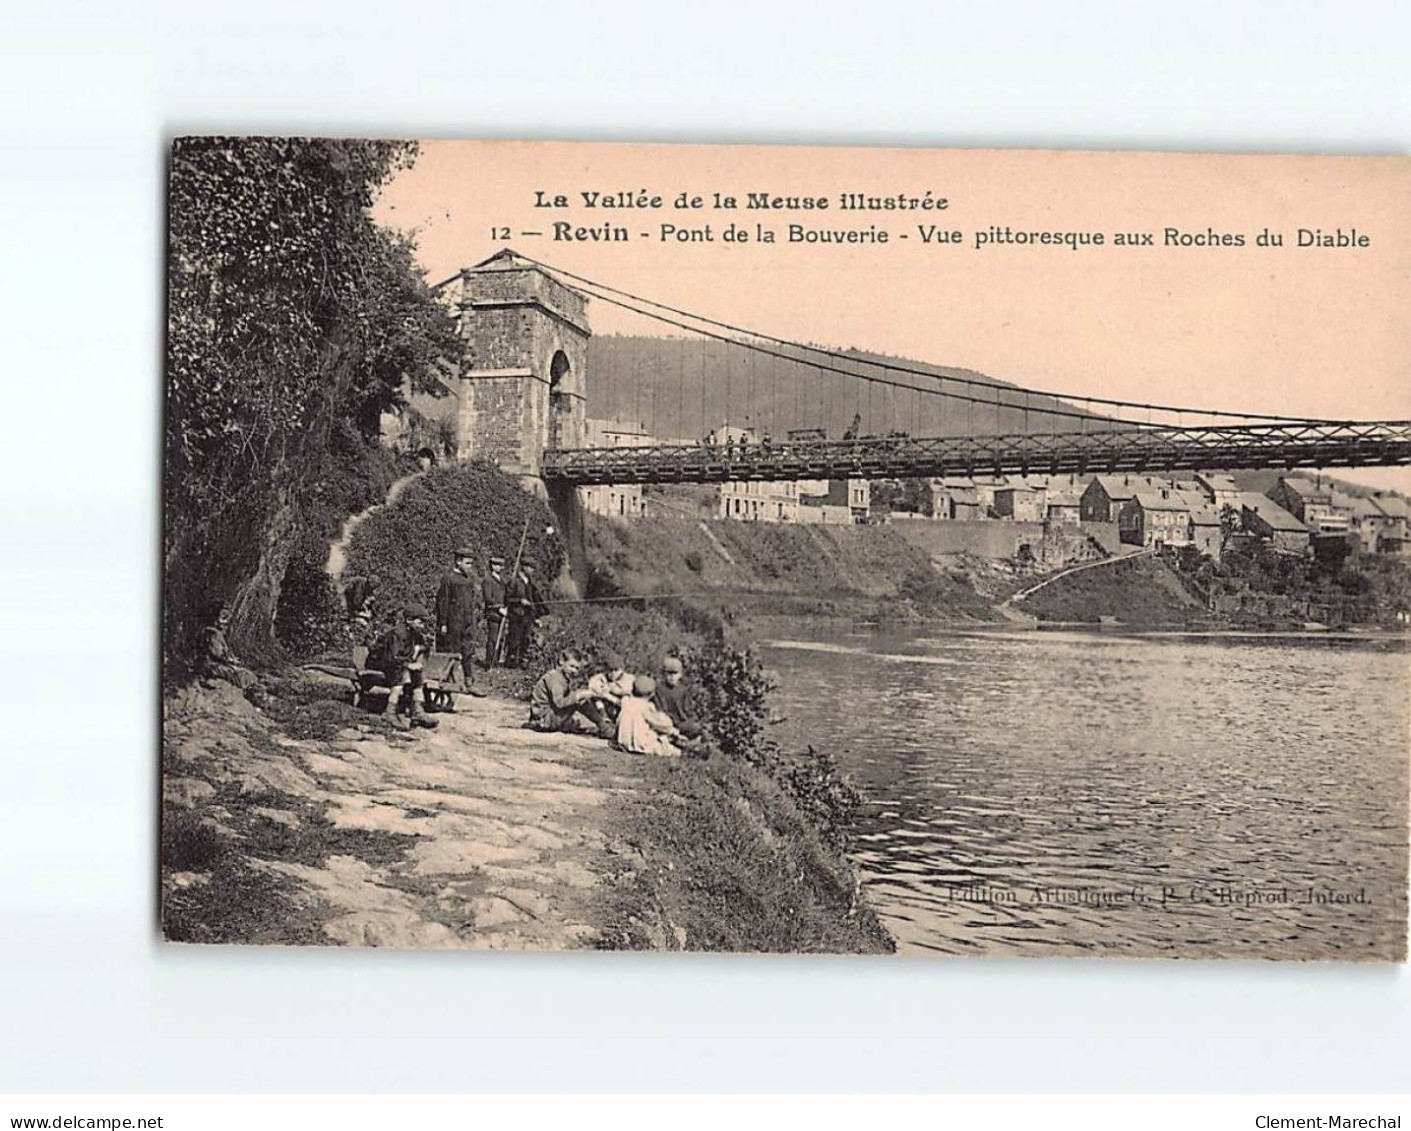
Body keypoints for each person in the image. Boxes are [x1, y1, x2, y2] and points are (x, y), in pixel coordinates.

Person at [368, 604, 438, 730]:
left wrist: (418, 661)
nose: (423, 625)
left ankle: (418, 711)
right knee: (403, 673)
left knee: (418, 674)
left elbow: (421, 651)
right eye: (420, 621)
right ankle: (389, 712)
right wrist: (408, 664)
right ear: (409, 620)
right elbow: (392, 657)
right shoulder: (397, 633)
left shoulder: (415, 633)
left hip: (396, 663)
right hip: (380, 662)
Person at [528, 650, 613, 737]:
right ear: (562, 661)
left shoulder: (561, 676)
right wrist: (580, 695)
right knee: (579, 700)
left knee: (580, 698)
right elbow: (559, 703)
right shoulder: (555, 678)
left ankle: (602, 724)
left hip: (544, 716)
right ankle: (603, 727)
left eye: (577, 668)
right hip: (543, 719)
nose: (574, 671)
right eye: (571, 666)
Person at [434, 548, 478, 674]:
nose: (470, 567)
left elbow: (470, 602)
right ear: (458, 561)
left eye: (471, 564)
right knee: (452, 650)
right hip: (453, 622)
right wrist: (443, 623)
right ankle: (449, 676)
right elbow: (443, 602)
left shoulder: (468, 580)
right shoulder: (449, 579)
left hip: (466, 622)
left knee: (467, 651)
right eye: (467, 563)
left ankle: (468, 679)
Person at [615, 675, 682, 757]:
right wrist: (672, 729)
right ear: (651, 694)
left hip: (622, 741)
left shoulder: (626, 701)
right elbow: (665, 725)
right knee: (675, 751)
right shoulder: (646, 706)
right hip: (640, 744)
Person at [200, 605, 256, 691]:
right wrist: (230, 660)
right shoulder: (213, 634)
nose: (226, 621)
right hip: (212, 665)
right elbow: (216, 654)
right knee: (244, 676)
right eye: (223, 617)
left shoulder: (215, 633)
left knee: (246, 674)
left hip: (214, 664)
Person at [651, 655, 703, 740]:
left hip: (680, 723)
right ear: (664, 674)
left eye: (675, 673)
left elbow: (687, 709)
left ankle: (680, 738)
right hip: (666, 723)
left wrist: (690, 719)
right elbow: (659, 710)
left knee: (697, 727)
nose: (672, 677)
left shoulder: (683, 690)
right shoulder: (659, 690)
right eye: (669, 673)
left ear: (680, 674)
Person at [504, 561, 542, 669]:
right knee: (514, 638)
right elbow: (508, 599)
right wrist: (520, 601)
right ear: (524, 567)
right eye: (530, 567)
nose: (532, 570)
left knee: (526, 638)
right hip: (516, 615)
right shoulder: (513, 581)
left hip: (528, 615)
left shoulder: (530, 583)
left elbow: (534, 599)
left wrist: (536, 616)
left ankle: (522, 660)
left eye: (533, 568)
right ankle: (511, 660)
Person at [586, 651, 636, 722]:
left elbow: (630, 695)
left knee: (626, 699)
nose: (613, 673)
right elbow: (592, 686)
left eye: (616, 670)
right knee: (595, 696)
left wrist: (610, 693)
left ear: (622, 669)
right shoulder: (602, 677)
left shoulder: (629, 679)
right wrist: (604, 692)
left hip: (624, 709)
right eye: (610, 670)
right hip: (608, 708)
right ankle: (604, 718)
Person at [481, 555, 508, 668]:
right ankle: (489, 663)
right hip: (493, 613)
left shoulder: (502, 581)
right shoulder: (488, 580)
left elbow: (505, 596)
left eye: (500, 565)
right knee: (493, 639)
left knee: (500, 639)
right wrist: (499, 608)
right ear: (491, 566)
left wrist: (507, 606)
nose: (498, 567)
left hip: (503, 613)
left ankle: (495, 661)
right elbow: (488, 598)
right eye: (496, 565)